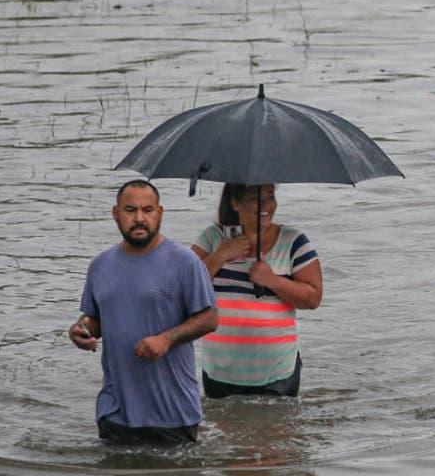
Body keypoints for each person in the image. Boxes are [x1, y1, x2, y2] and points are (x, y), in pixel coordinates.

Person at [68, 179, 218, 444]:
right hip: (114, 412)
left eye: (147, 210)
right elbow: (95, 320)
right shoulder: (100, 266)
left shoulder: (185, 262)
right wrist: (81, 330)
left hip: (172, 413)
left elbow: (209, 318)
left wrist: (166, 339)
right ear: (116, 214)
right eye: (130, 210)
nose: (139, 218)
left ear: (159, 212)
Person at [190, 183, 323, 398]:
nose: (266, 205)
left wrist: (273, 281)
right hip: (220, 370)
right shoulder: (212, 238)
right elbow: (185, 289)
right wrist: (220, 255)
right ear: (235, 202)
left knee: (276, 430)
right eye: (255, 198)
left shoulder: (293, 241)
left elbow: (313, 298)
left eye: (270, 196)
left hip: (278, 372)